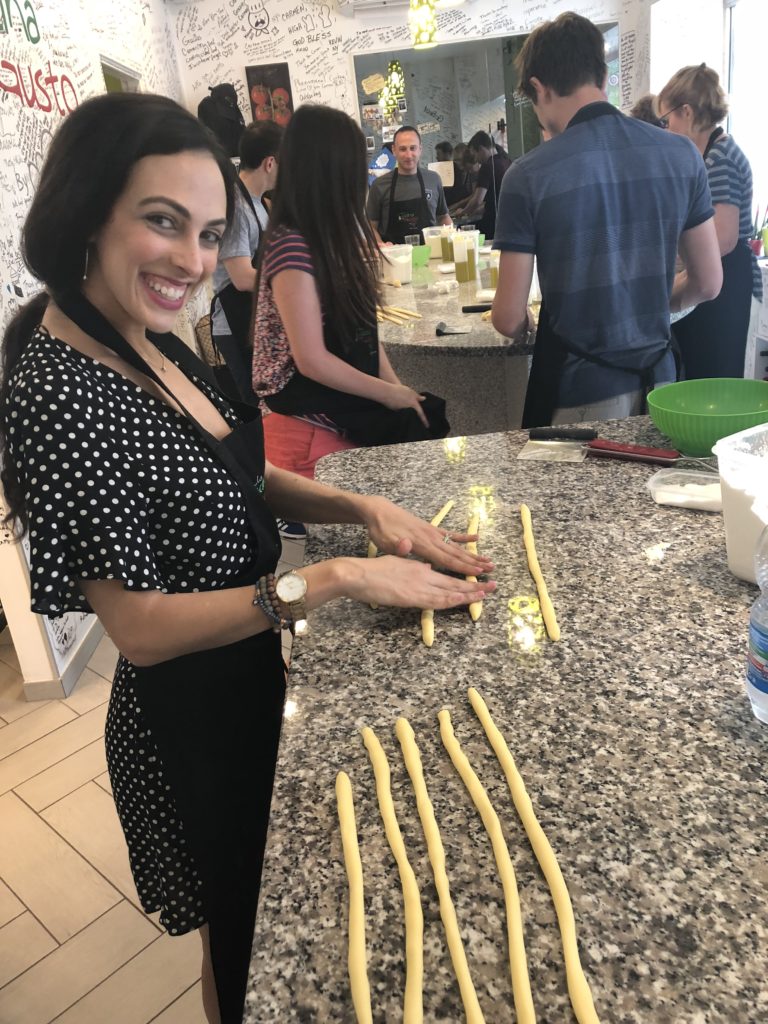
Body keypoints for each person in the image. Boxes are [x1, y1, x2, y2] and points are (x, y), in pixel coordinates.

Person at [0, 93, 494, 1024]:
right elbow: (141, 631)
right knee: (244, 930)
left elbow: (239, 468)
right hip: (195, 715)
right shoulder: (58, 393)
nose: (191, 260)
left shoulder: (150, 346)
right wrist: (335, 576)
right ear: (86, 213)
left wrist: (361, 505)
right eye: (162, 222)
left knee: (264, 915)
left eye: (211, 231)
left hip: (250, 673)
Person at [491, 12, 723, 427]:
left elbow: (508, 318)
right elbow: (707, 283)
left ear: (539, 89)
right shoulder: (681, 155)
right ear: (602, 75)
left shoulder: (528, 176)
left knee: (579, 495)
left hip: (578, 394)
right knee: (653, 492)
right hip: (663, 387)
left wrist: (526, 322)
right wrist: (644, 302)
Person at [253, 103, 450, 475]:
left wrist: (398, 390)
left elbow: (363, 330)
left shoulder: (335, 235)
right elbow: (310, 359)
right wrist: (389, 394)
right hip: (305, 425)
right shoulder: (290, 244)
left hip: (338, 408)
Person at [658, 64, 762, 378]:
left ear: (686, 112)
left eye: (666, 120)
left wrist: (677, 273)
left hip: (727, 283)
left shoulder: (720, 157)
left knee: (714, 376)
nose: (665, 129)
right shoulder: (709, 154)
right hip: (717, 277)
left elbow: (724, 238)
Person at [211, 120, 281, 401]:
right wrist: (292, 282)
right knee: (254, 406)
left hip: (253, 318)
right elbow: (241, 278)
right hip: (235, 324)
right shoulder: (237, 207)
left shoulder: (259, 203)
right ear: (271, 163)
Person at [366, 125, 451, 245]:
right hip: (394, 258)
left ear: (420, 149)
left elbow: (443, 217)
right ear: (394, 150)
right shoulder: (379, 185)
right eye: (402, 149)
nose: (408, 155)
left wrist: (453, 238)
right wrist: (381, 246)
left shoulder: (433, 179)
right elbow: (370, 226)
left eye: (413, 148)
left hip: (431, 255)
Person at [452, 130, 511, 241]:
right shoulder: (506, 161)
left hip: (492, 223)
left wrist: (463, 212)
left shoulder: (487, 166)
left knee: (457, 231)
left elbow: (477, 200)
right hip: (507, 221)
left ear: (480, 149)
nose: (476, 159)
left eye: (474, 154)